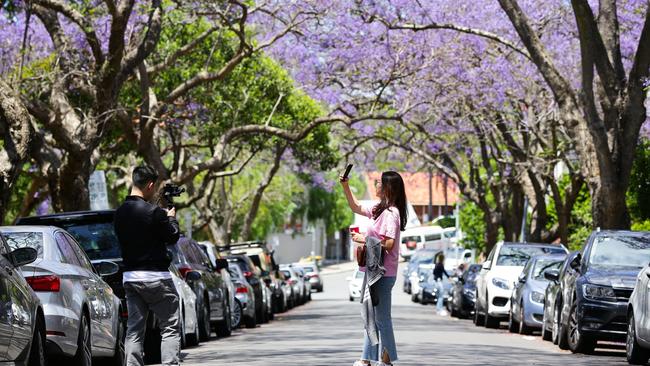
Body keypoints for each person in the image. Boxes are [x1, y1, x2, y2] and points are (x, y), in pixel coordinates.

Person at [114, 165, 181, 366]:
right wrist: (171, 219)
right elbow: (172, 237)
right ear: (150, 185)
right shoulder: (155, 213)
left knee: (134, 329)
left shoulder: (119, 213)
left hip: (131, 279)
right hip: (157, 278)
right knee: (169, 326)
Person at [341, 171, 408, 366]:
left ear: (387, 188)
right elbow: (355, 206)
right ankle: (369, 360)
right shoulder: (379, 209)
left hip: (383, 272)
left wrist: (364, 239)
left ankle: (382, 360)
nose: (376, 184)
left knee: (381, 318)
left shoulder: (391, 213)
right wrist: (345, 185)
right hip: (373, 270)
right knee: (371, 317)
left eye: (379, 182)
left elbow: (388, 244)